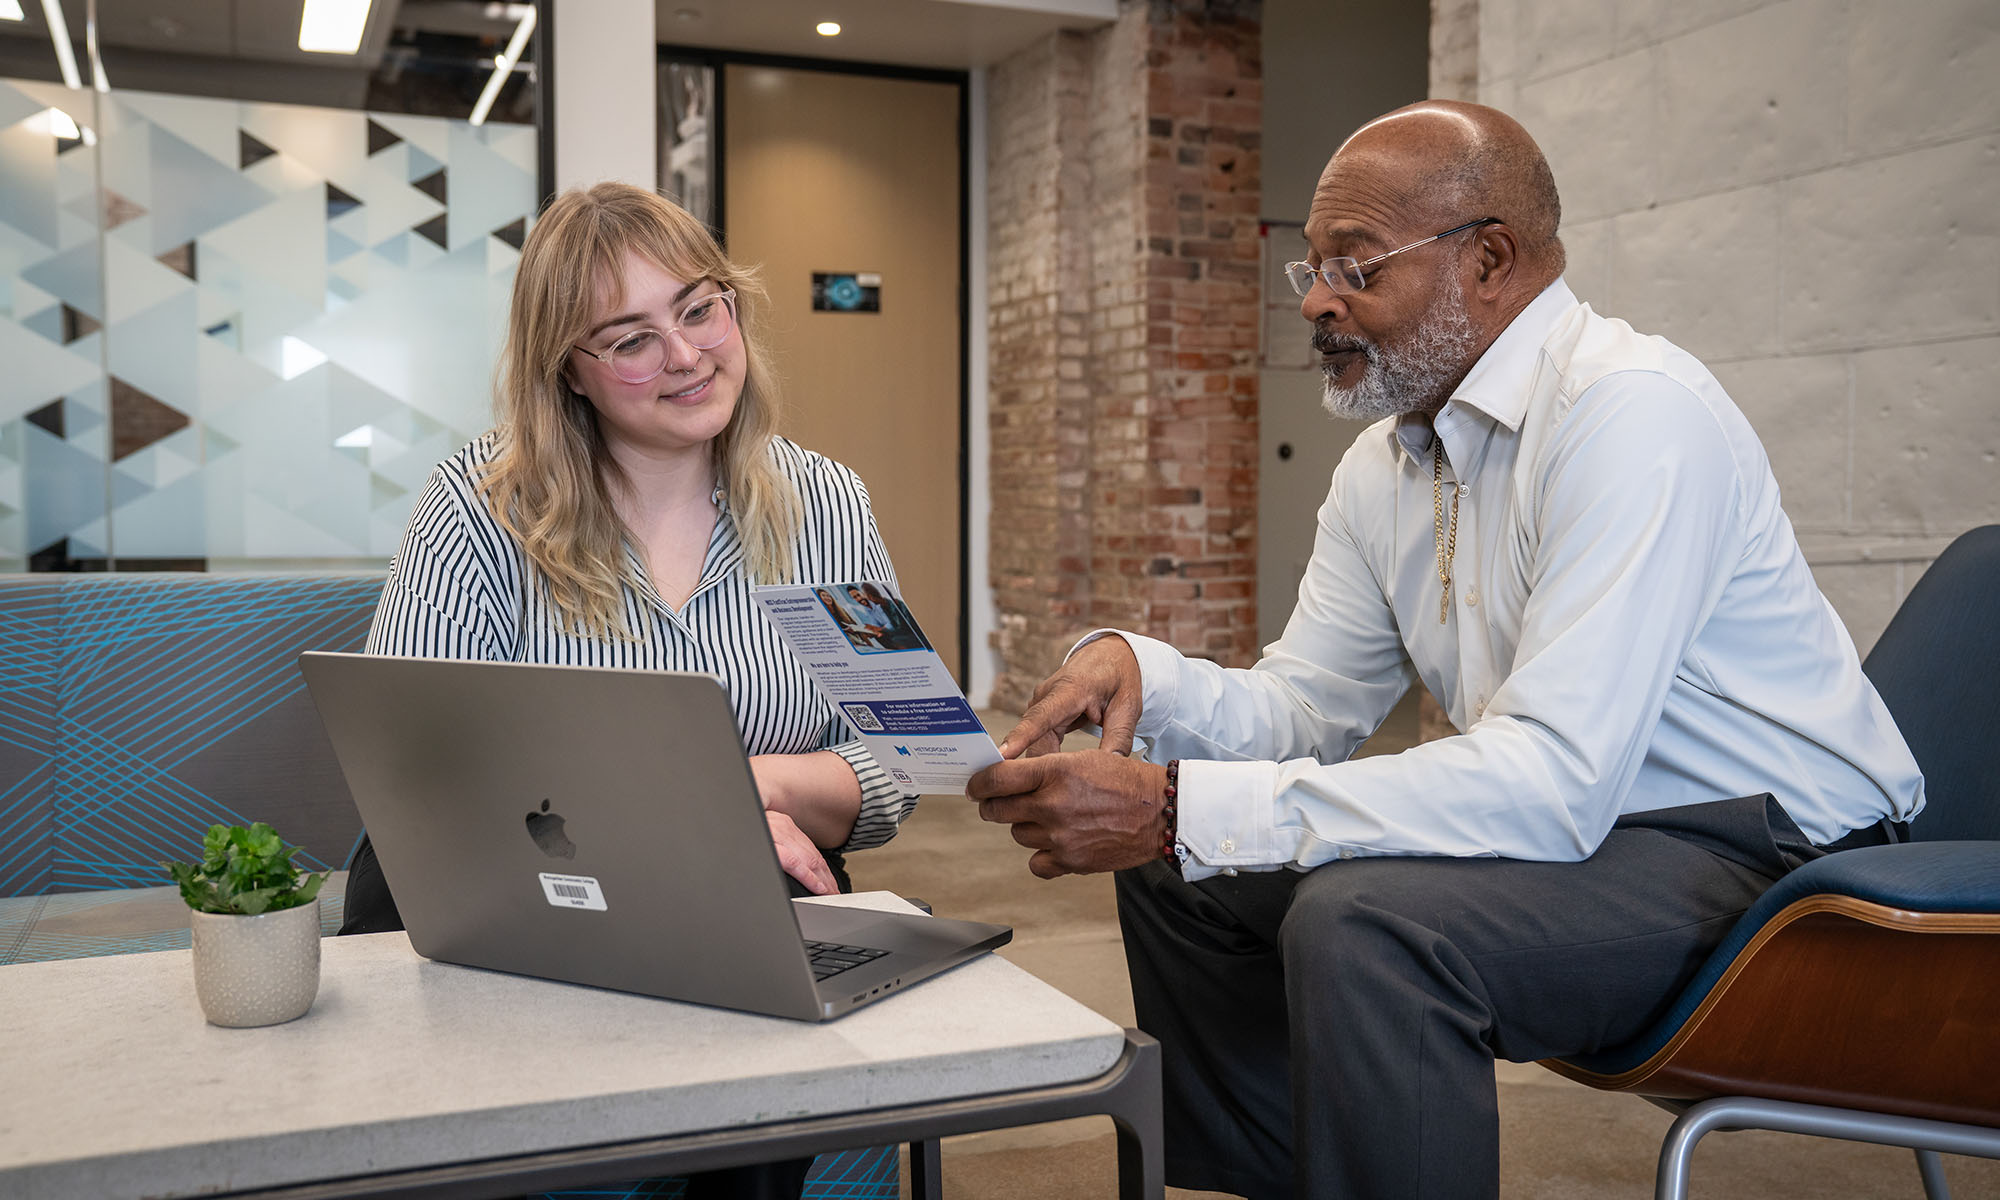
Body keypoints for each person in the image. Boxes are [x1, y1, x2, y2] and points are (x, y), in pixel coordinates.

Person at [966, 101, 1925, 1200]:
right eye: (1310, 269)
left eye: (1353, 266)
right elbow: (1305, 708)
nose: (1318, 301)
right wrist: (1147, 670)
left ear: (1489, 259)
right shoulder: (1385, 465)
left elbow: (1552, 778)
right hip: (1603, 829)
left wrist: (1179, 804)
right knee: (1191, 880)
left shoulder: (1631, 416)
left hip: (1782, 866)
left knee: (1365, 923)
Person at [343, 181, 917, 1199]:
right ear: (568, 367)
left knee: (760, 908)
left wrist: (750, 791)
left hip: (738, 903)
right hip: (507, 894)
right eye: (629, 338)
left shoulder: (824, 504)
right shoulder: (483, 506)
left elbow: (902, 758)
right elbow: (413, 761)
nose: (688, 355)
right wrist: (680, 813)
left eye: (698, 308)